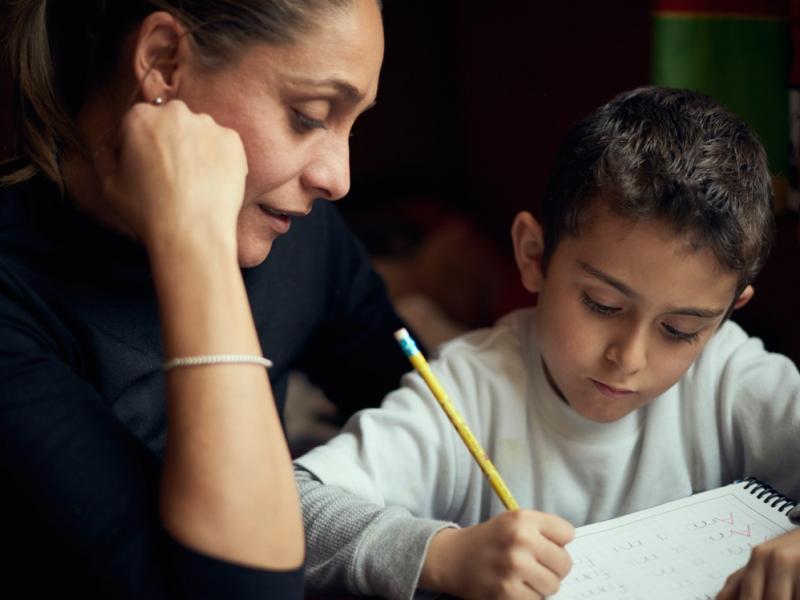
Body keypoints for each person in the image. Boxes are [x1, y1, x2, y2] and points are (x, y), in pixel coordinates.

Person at [294, 86, 800, 600]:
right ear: (534, 256)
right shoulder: (468, 392)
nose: (629, 358)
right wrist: (440, 554)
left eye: (681, 330)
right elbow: (292, 508)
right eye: (602, 304)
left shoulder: (729, 376)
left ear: (727, 314)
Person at [0, 1, 414, 597]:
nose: (338, 178)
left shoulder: (293, 231)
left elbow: (422, 414)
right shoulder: (16, 302)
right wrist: (194, 241)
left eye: (353, 124)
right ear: (164, 63)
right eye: (308, 116)